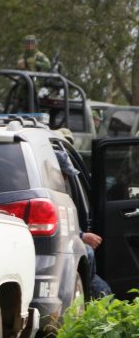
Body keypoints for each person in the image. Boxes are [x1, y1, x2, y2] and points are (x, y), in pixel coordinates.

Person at [53, 128, 112, 299]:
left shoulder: (62, 188)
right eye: (64, 174)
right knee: (102, 291)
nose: (66, 178)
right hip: (59, 250)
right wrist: (82, 236)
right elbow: (59, 223)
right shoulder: (51, 193)